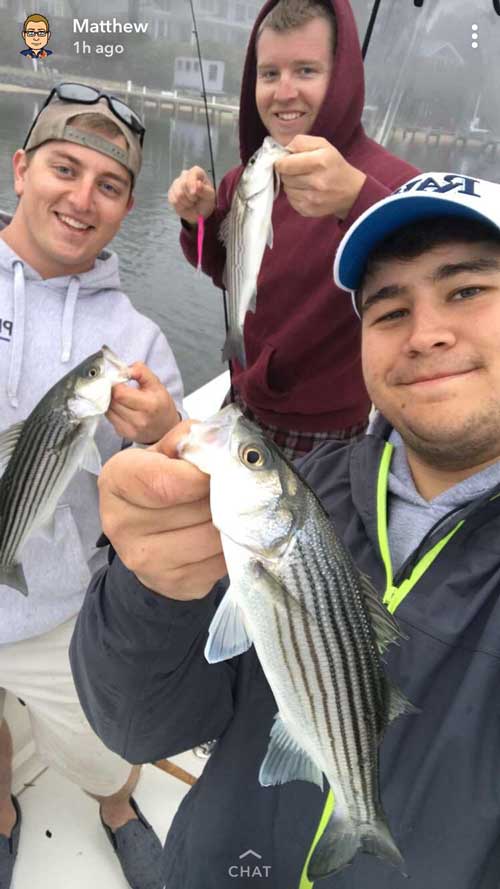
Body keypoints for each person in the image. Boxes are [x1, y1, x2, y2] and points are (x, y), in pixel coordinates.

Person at [71, 170, 500, 889]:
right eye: (390, 310)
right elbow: (138, 728)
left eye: (467, 291)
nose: (426, 334)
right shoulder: (314, 487)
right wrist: (150, 588)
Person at [0, 82, 185, 889]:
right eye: (64, 169)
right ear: (20, 169)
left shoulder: (136, 338)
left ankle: (116, 805)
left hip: (62, 609)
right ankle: (4, 813)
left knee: (104, 746)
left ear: (127, 208)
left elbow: (179, 486)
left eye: (109, 185)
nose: (82, 199)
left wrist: (162, 431)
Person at [167, 0, 418, 459]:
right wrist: (197, 221)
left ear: (340, 77)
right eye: (269, 74)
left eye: (305, 71)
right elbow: (221, 268)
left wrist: (357, 200)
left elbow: (423, 289)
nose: (284, 93)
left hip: (326, 433)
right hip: (241, 402)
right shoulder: (245, 178)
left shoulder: (396, 185)